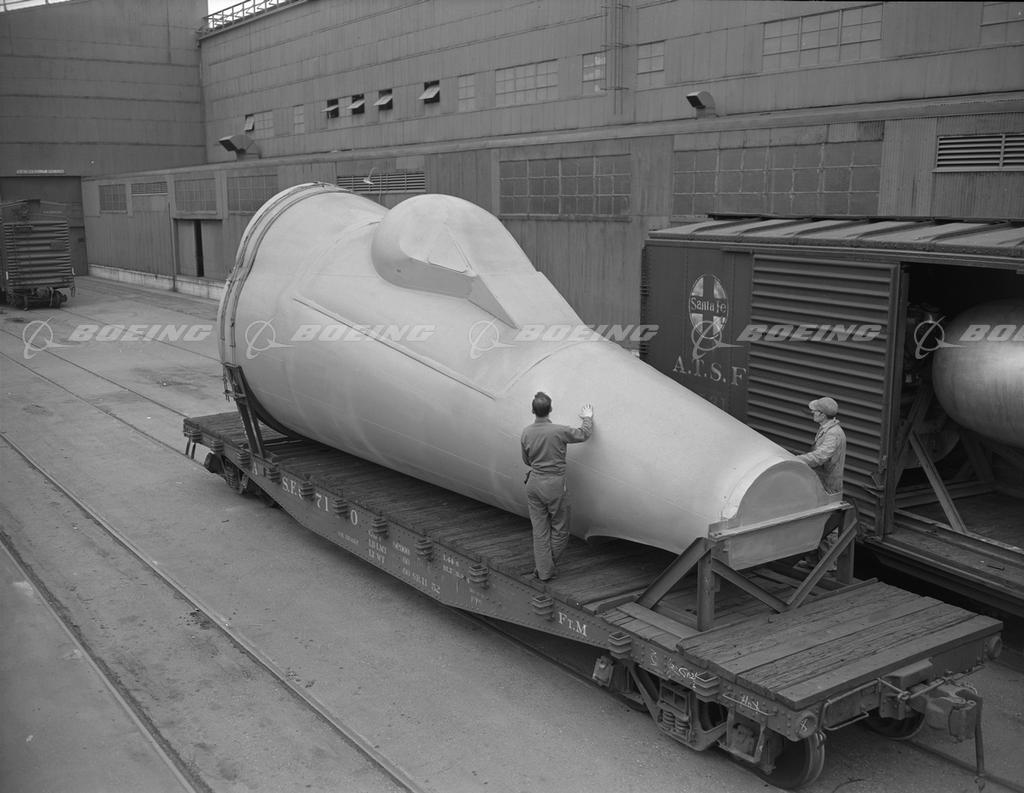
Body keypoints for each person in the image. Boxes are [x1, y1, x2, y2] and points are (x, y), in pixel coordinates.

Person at [520, 392, 594, 582]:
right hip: (554, 485)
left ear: (532, 411)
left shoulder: (526, 432)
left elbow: (527, 461)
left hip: (533, 484)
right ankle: (545, 570)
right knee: (560, 528)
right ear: (551, 409)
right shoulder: (559, 431)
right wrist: (587, 417)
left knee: (540, 531)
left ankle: (543, 567)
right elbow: (584, 434)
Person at [796, 397, 846, 494]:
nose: (812, 413)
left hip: (828, 488)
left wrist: (797, 460)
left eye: (815, 411)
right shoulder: (826, 428)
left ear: (822, 414)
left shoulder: (833, 434)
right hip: (821, 482)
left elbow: (820, 456)